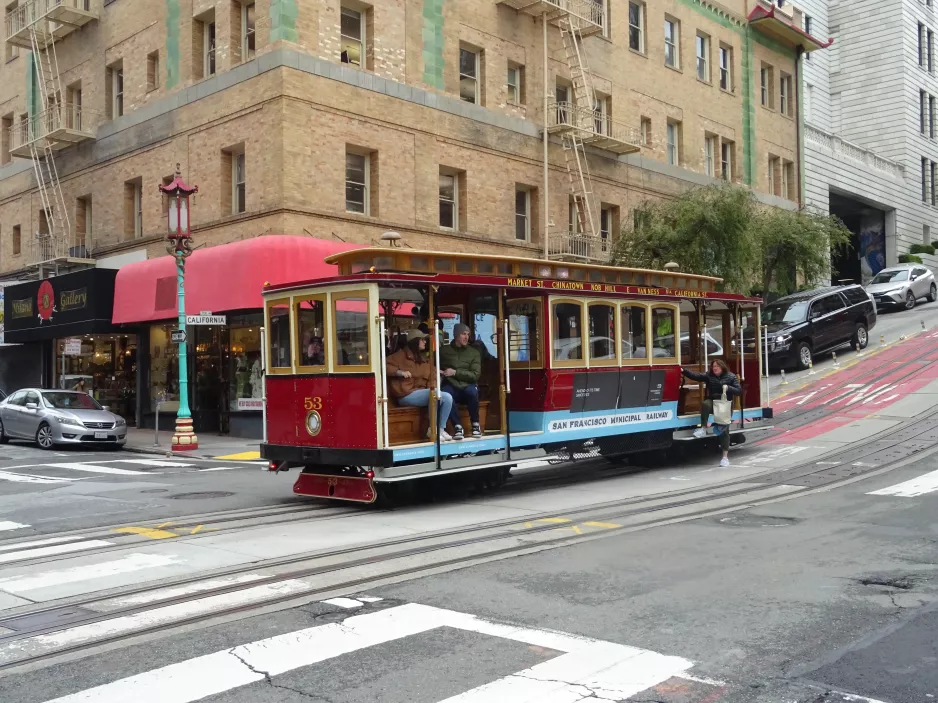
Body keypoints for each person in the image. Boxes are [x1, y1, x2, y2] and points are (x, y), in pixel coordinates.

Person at [386, 328, 454, 442]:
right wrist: (399, 372)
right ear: (415, 341)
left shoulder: (423, 359)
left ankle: (440, 429)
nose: (425, 342)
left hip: (423, 393)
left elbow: (432, 374)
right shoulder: (398, 356)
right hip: (405, 394)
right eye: (422, 340)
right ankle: (432, 429)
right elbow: (384, 365)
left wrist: (438, 377)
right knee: (434, 394)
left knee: (447, 397)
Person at [681, 359, 741, 467]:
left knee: (724, 431)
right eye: (713, 366)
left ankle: (725, 457)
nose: (715, 368)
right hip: (713, 402)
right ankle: (703, 428)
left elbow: (738, 391)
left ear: (722, 367)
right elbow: (696, 376)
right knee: (705, 404)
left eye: (717, 366)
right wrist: (683, 371)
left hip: (724, 405)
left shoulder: (731, 376)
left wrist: (728, 388)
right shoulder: (709, 375)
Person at [440, 323, 482, 440]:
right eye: (463, 334)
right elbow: (430, 363)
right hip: (451, 384)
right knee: (446, 394)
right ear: (456, 335)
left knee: (472, 393)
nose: (466, 337)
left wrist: (455, 372)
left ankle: (475, 424)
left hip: (468, 384)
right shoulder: (443, 351)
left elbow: (475, 375)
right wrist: (436, 370)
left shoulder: (474, 353)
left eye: (468, 334)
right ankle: (457, 426)